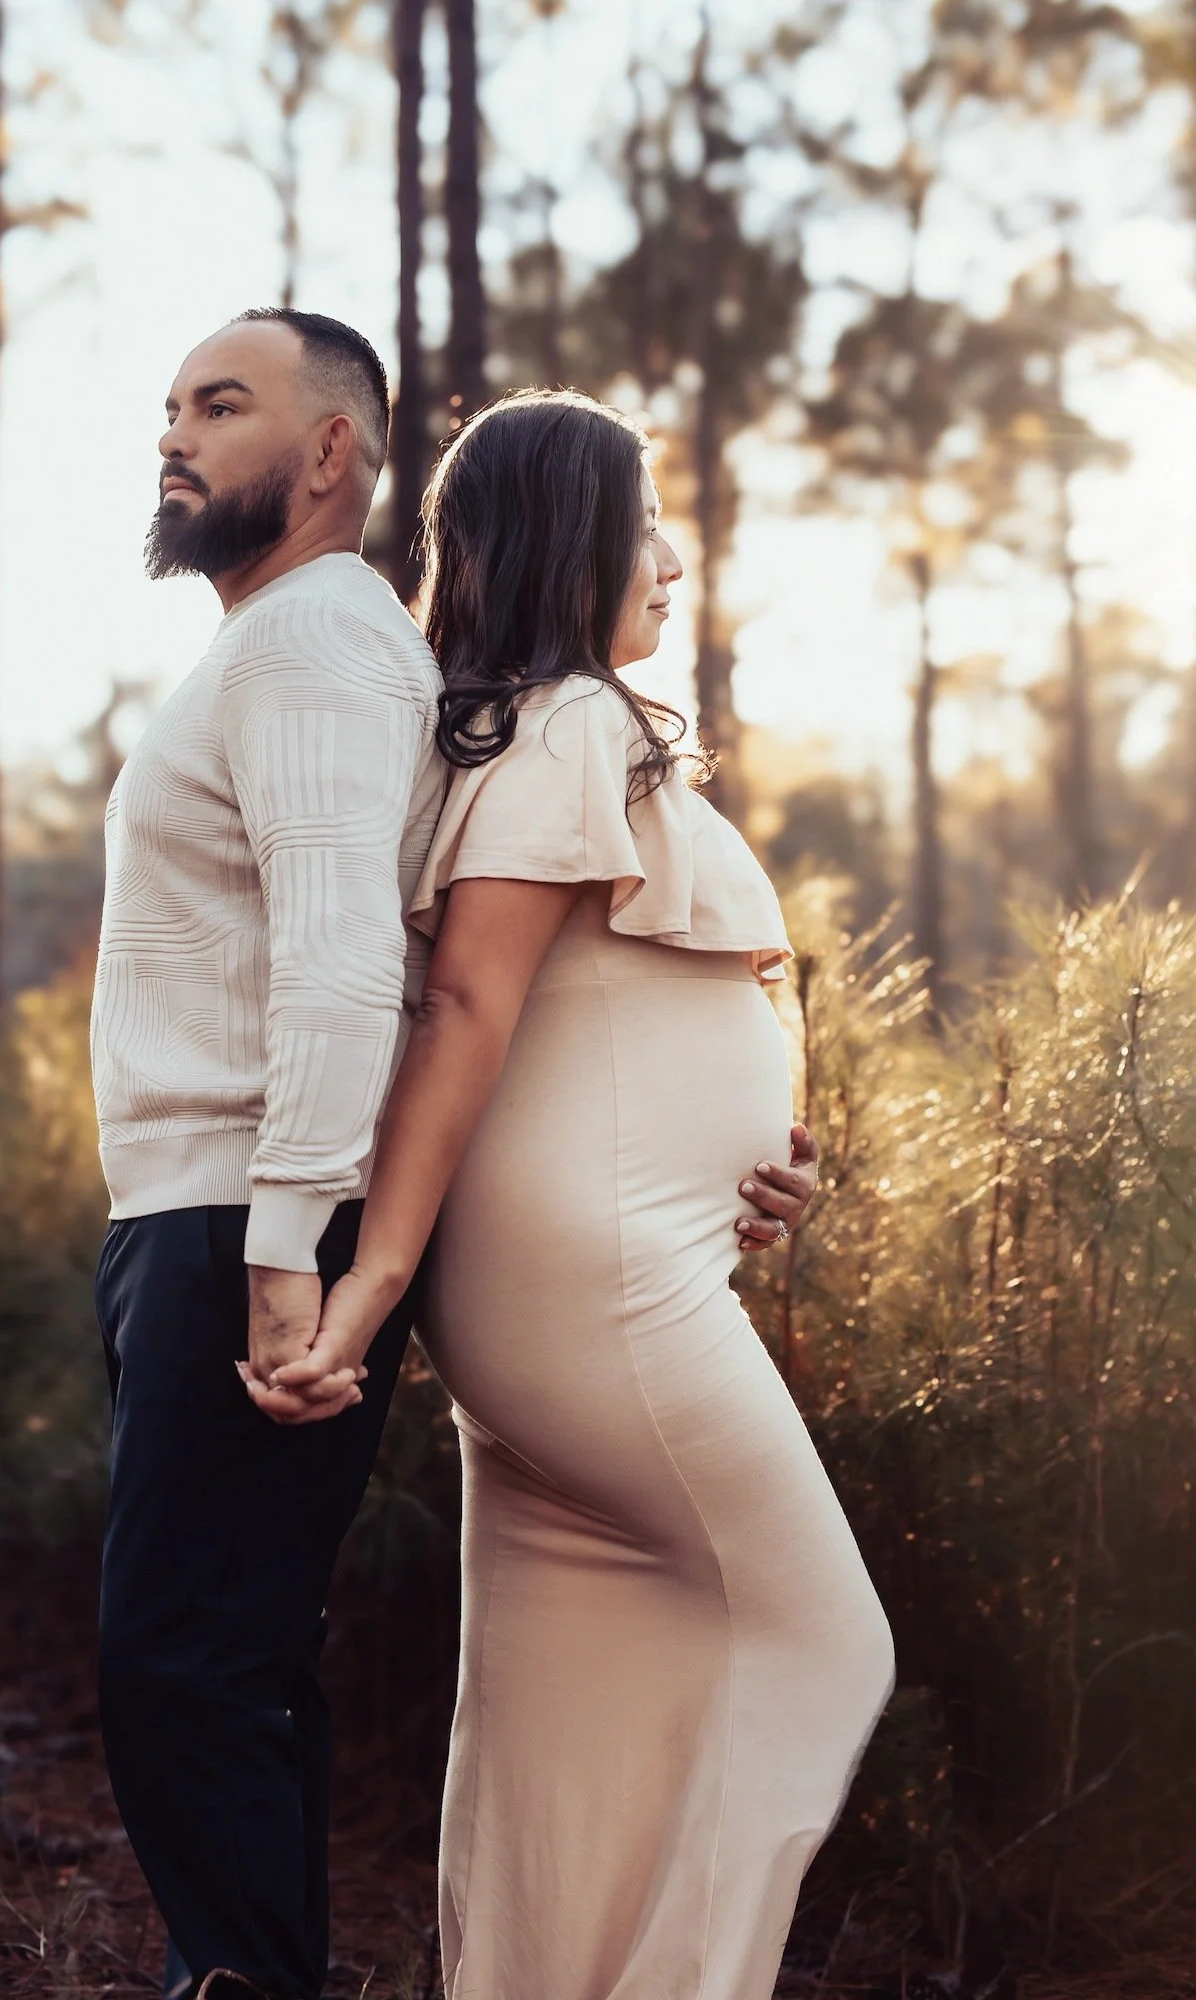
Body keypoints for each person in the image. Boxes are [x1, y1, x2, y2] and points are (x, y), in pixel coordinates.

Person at [91, 320, 819, 2000]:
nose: (175, 441)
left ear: (334, 454)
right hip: (199, 1209)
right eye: (170, 410)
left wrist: (295, 1257)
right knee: (225, 1657)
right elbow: (465, 967)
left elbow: (368, 967)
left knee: (186, 1662)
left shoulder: (316, 649)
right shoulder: (295, 648)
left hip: (240, 1216)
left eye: (220, 406)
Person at [259, 389, 895, 2000]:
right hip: (597, 1283)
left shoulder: (513, 729)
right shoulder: (576, 725)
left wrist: (753, 1153)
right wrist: (367, 1292)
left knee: (570, 1710)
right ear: (571, 536)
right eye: (647, 523)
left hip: (569, 1274)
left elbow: (563, 1024)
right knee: (828, 1645)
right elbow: (465, 1011)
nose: (672, 562)